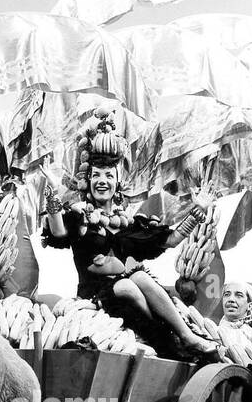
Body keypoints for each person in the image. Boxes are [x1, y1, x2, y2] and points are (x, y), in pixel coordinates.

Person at [41, 109, 217, 359]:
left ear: (117, 183)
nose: (102, 181)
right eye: (96, 175)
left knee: (140, 280)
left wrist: (197, 211)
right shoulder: (80, 215)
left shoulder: (127, 222)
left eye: (109, 175)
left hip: (130, 294)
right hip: (94, 297)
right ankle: (173, 342)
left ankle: (185, 336)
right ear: (88, 181)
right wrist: (52, 199)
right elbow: (58, 232)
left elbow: (171, 239)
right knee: (128, 283)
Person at [217, 281, 252, 362]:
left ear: (249, 306)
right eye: (227, 295)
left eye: (239, 295)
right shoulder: (214, 332)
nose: (231, 299)